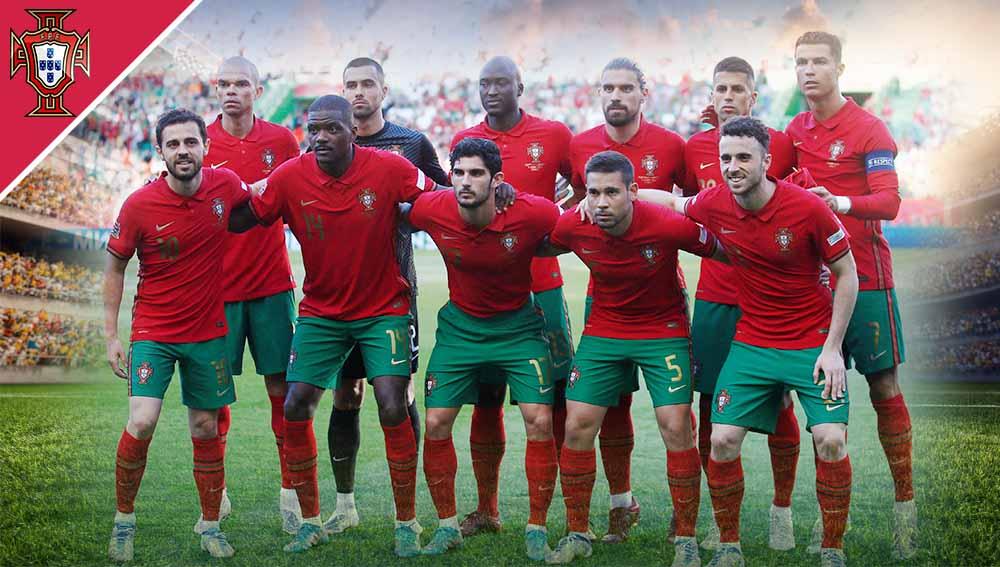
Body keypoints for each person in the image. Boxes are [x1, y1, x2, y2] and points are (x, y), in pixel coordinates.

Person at [638, 117, 858, 567]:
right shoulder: (717, 201)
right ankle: (729, 546)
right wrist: (619, 192)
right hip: (753, 343)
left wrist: (833, 349)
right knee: (721, 440)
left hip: (811, 343)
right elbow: (676, 204)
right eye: (725, 158)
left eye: (743, 158)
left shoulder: (808, 209)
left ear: (766, 161)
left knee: (832, 439)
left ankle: (832, 548)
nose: (732, 167)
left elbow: (847, 274)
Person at [228, 95, 442, 555]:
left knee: (391, 404)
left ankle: (407, 522)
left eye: (331, 129)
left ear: (352, 130)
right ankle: (311, 521)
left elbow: (437, 197)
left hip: (383, 308)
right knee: (295, 405)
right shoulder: (290, 175)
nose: (320, 137)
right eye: (314, 129)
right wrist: (196, 194)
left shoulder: (389, 167)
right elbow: (243, 213)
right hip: (321, 314)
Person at [543, 150, 721, 566]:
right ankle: (577, 533)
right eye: (594, 193)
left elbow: (725, 251)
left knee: (676, 426)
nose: (601, 202)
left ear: (634, 192)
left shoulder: (668, 225)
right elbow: (531, 242)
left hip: (663, 330)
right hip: (605, 330)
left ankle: (687, 541)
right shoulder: (574, 225)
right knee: (577, 426)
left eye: (611, 192)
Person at [785, 31, 914, 559]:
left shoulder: (869, 128)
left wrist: (835, 200)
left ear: (840, 67)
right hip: (816, 287)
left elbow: (890, 203)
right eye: (801, 62)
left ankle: (905, 507)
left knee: (883, 387)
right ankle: (826, 517)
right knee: (824, 402)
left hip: (869, 280)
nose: (810, 70)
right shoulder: (793, 130)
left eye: (819, 61)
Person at [105, 109, 250, 561]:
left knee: (206, 426)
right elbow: (114, 266)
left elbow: (265, 197)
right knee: (143, 419)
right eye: (173, 144)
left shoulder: (227, 187)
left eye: (191, 142)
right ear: (161, 152)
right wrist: (111, 334)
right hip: (154, 330)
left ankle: (210, 526)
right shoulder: (138, 205)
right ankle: (124, 521)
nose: (183, 151)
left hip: (207, 332)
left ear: (206, 146)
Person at [408, 137, 560, 560]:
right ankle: (446, 527)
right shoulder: (432, 209)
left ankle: (536, 528)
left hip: (518, 328)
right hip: (461, 328)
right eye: (458, 173)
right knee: (437, 421)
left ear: (497, 181)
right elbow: (394, 209)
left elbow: (572, 231)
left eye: (476, 174)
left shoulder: (532, 212)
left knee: (539, 420)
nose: (465, 181)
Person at [448, 55, 575, 537]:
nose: (492, 90)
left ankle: (567, 509)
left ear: (520, 86)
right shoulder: (465, 142)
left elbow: (587, 191)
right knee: (487, 399)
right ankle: (487, 508)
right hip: (483, 294)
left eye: (501, 82)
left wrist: (559, 204)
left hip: (541, 287)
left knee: (555, 400)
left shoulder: (554, 136)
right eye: (484, 82)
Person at [324, 56, 449, 535]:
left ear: (384, 89)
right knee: (345, 393)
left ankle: (408, 510)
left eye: (367, 84)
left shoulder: (412, 143)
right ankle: (345, 504)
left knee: (397, 395)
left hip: (395, 291)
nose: (359, 92)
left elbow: (443, 194)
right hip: (339, 297)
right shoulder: (324, 143)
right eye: (350, 84)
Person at [566, 57, 687, 543]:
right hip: (605, 300)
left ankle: (687, 519)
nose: (615, 96)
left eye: (624, 88)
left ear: (643, 92)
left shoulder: (671, 145)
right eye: (606, 87)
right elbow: (574, 207)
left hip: (661, 300)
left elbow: (700, 208)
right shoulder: (578, 146)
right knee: (606, 409)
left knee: (674, 418)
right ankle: (621, 505)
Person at [683, 56, 801, 551]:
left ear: (754, 97)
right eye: (720, 89)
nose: (728, 96)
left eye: (738, 89)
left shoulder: (779, 145)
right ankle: (717, 517)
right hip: (715, 296)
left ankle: (782, 511)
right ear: (710, 97)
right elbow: (684, 209)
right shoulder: (693, 149)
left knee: (781, 407)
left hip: (772, 299)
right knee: (711, 408)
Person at [205, 55, 302, 535]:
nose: (231, 91)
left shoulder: (281, 140)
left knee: (281, 393)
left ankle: (290, 492)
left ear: (257, 90)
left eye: (240, 83)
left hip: (271, 288)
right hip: (215, 293)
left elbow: (300, 200)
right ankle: (216, 494)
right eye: (223, 83)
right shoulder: (200, 141)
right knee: (214, 398)